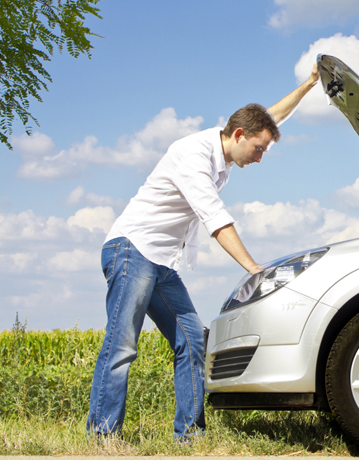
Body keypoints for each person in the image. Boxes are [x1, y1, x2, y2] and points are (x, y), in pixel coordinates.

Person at [86, 64, 320, 439]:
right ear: (239, 134)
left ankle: (190, 436)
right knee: (121, 346)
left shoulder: (228, 149)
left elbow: (273, 117)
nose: (260, 158)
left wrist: (309, 85)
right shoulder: (192, 154)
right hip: (131, 251)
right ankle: (101, 436)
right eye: (259, 149)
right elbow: (214, 217)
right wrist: (252, 267)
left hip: (161, 262)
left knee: (193, 340)